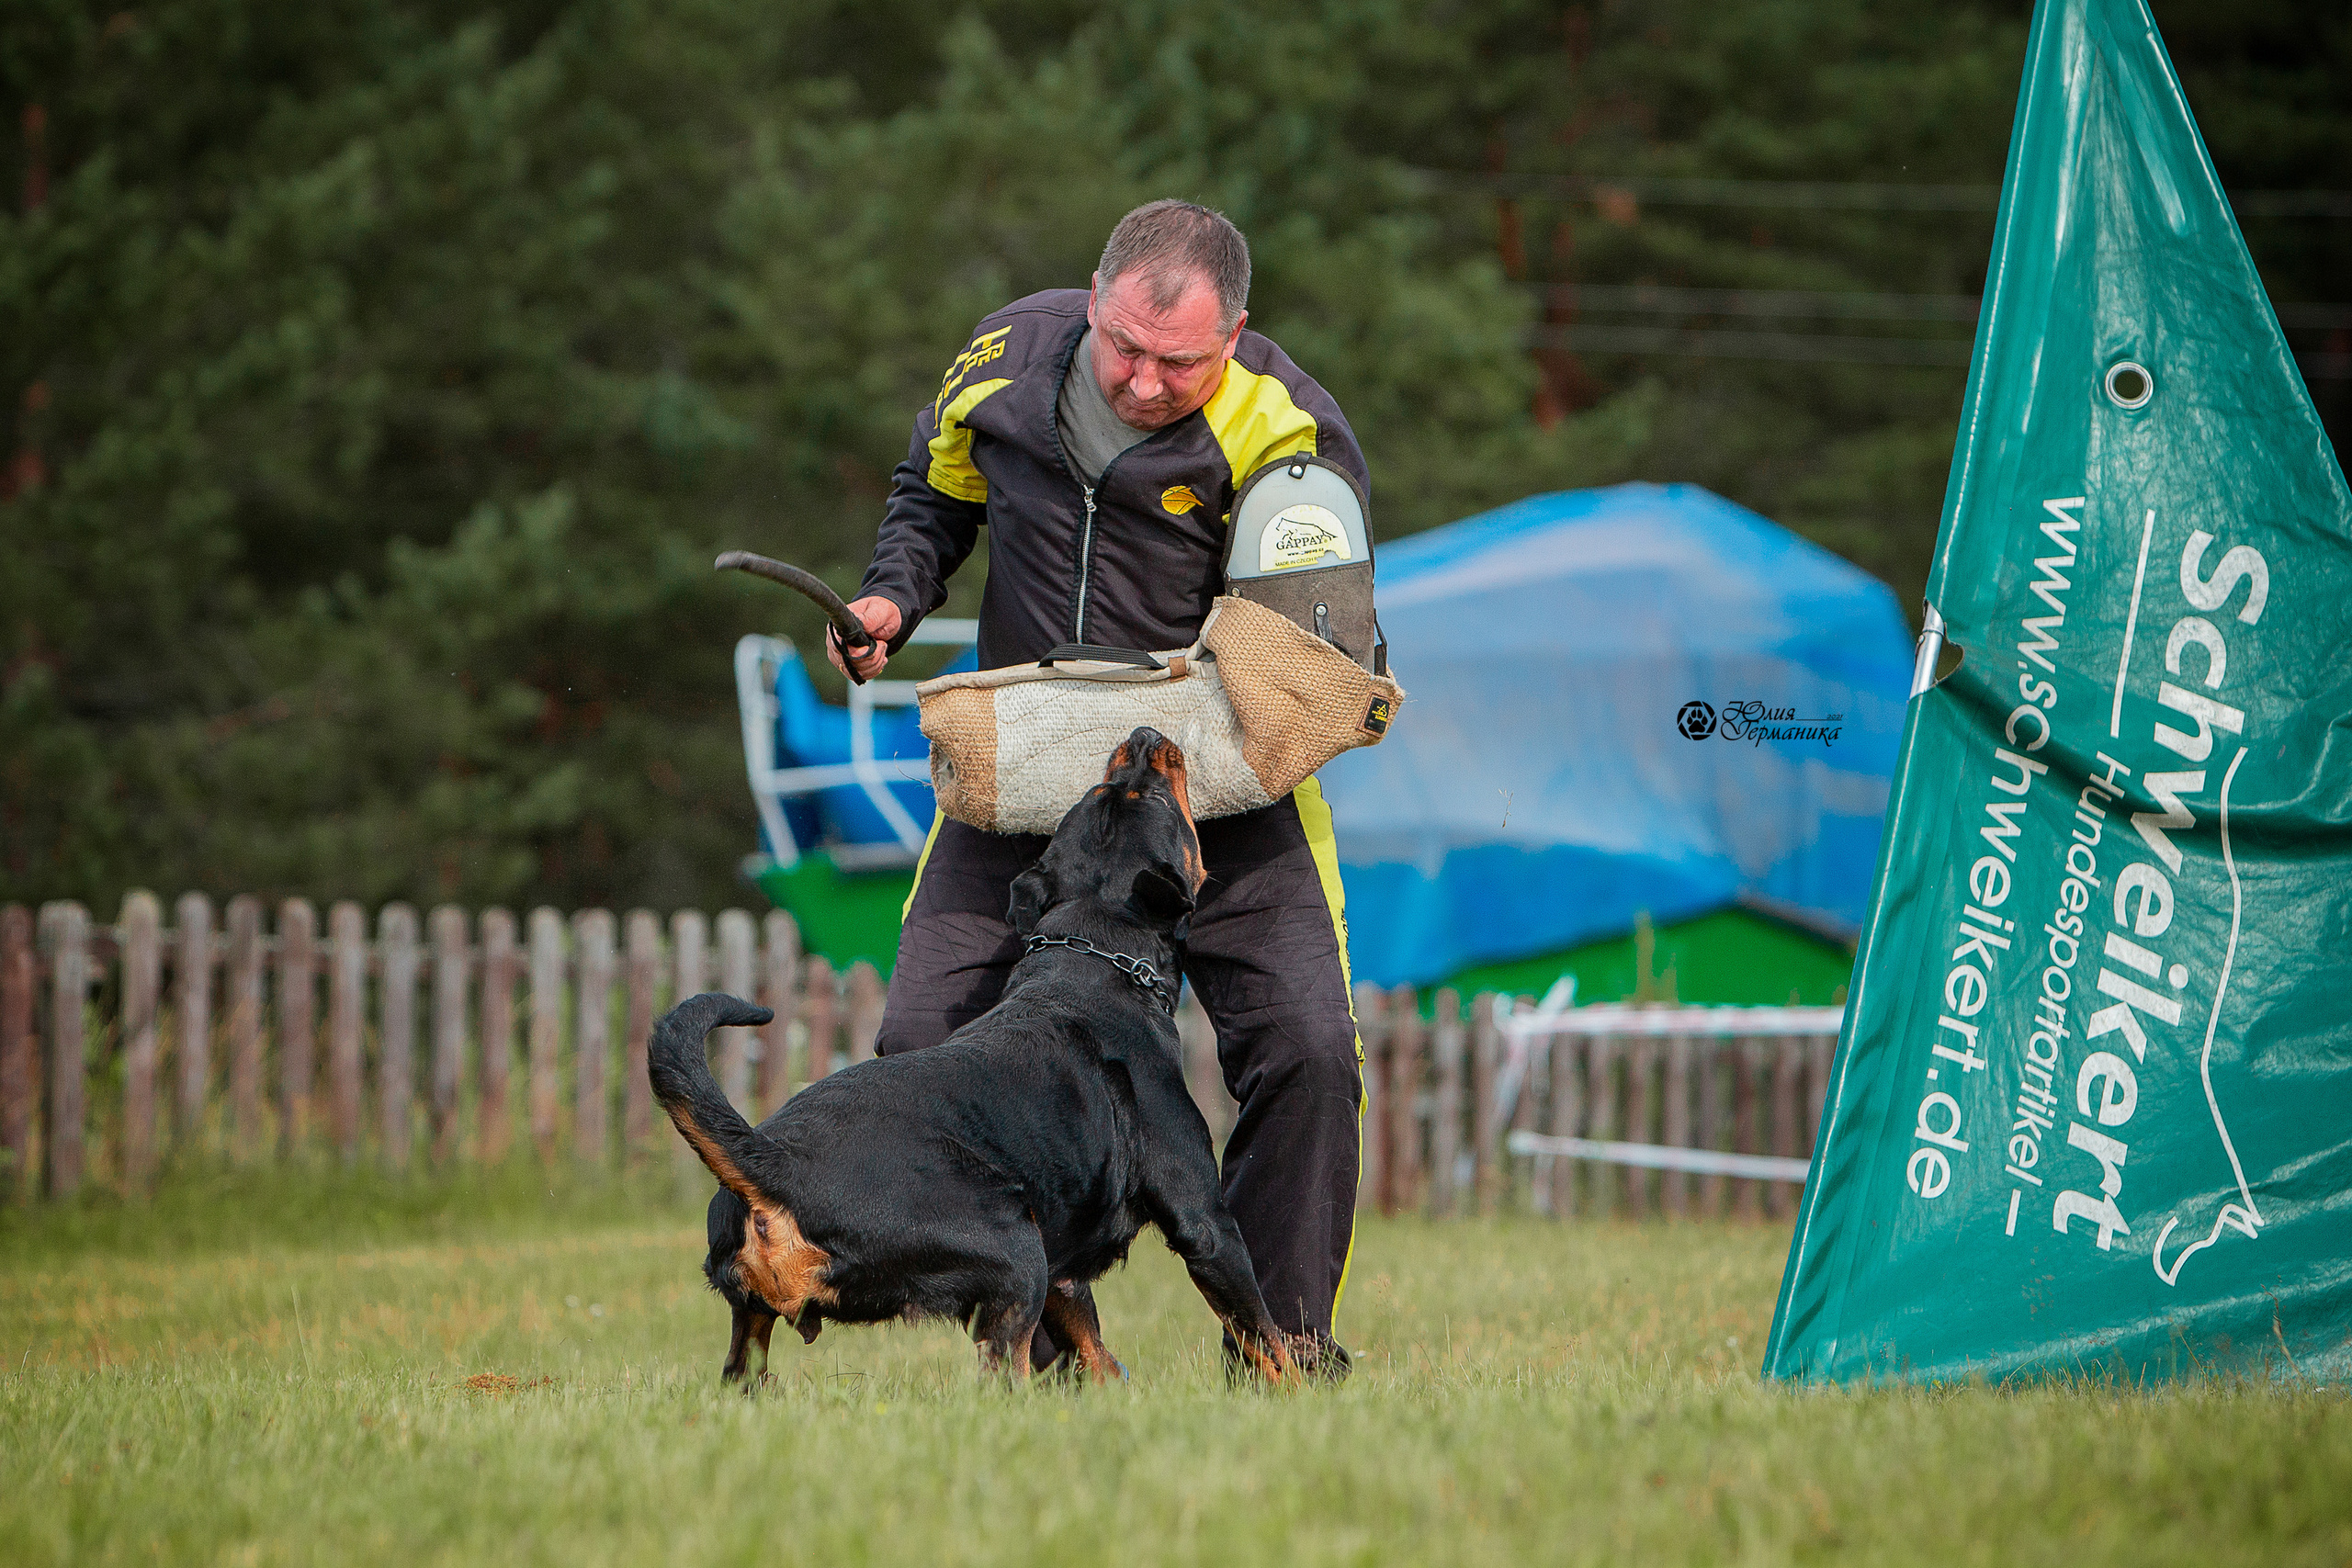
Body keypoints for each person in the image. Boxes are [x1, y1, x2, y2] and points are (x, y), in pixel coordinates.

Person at [830, 199, 1364, 1377]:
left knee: (1310, 1051)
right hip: (1023, 792)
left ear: (1234, 336)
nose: (1141, 380)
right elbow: (933, 496)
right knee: (921, 1033)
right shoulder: (1003, 367)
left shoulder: (1286, 431)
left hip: (1214, 800)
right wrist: (888, 601)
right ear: (1092, 296)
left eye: (1180, 362)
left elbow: (1323, 623)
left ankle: (1284, 1349)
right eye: (1123, 345)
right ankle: (1052, 1347)